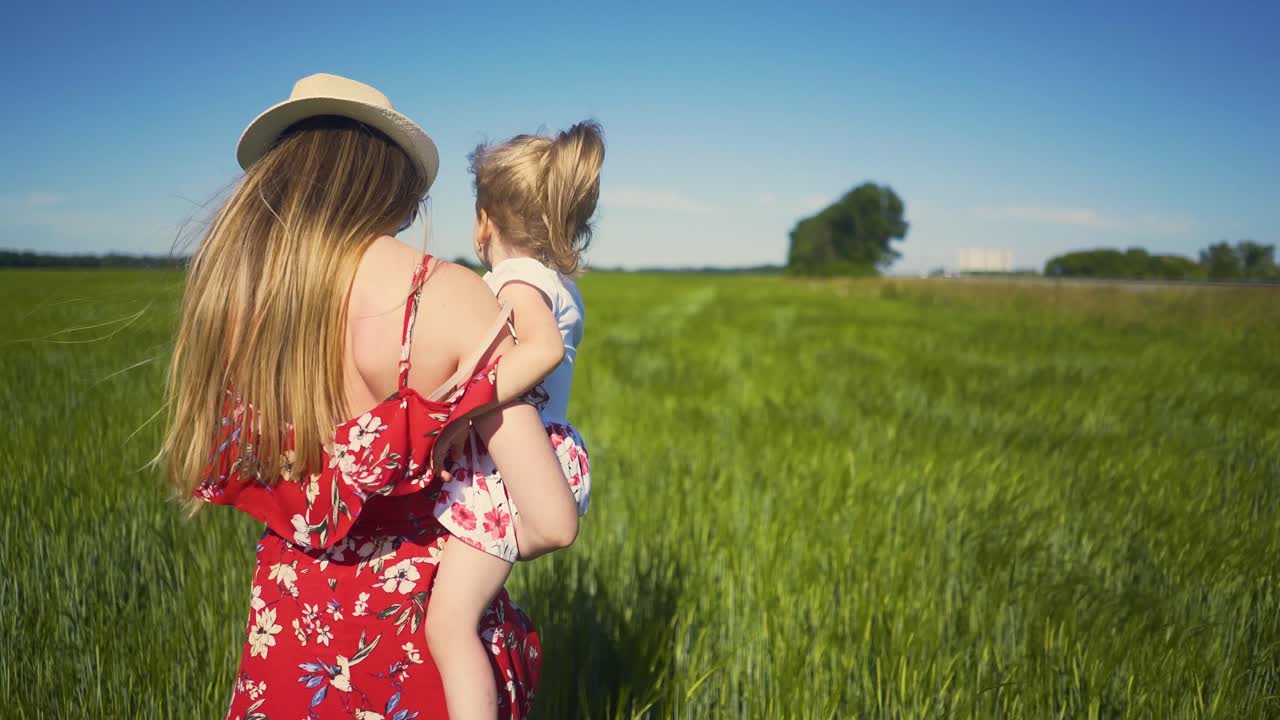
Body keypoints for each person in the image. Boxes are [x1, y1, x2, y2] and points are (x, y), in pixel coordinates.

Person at [159, 73, 579, 720]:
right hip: (416, 643)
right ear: (394, 184)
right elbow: (551, 519)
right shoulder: (449, 296)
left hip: (289, 636)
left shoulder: (237, 299)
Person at [424, 122, 603, 719]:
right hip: (532, 464)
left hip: (513, 473)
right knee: (462, 608)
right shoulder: (553, 281)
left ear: (484, 222)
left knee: (449, 625)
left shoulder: (517, 280)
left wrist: (463, 413)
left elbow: (542, 350)